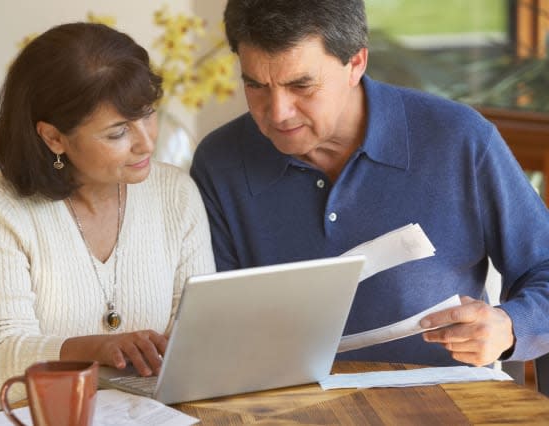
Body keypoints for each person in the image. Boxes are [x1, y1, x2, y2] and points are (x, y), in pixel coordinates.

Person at [190, 0, 549, 368]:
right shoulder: (219, 163)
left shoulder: (460, 141)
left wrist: (509, 327)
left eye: (301, 85)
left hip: (446, 408)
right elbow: (214, 328)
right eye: (256, 85)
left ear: (356, 64)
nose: (278, 112)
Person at [0, 22, 215, 425]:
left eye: (148, 114)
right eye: (118, 132)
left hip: (134, 413)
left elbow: (196, 334)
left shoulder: (176, 193)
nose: (146, 142)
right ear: (53, 138)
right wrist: (96, 348)